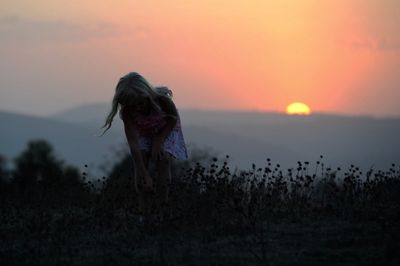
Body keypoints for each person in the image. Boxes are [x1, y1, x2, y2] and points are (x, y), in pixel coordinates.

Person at [99, 72, 188, 216]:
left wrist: (159, 140)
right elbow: (133, 143)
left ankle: (162, 207)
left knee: (162, 158)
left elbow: (172, 120)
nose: (138, 108)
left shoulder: (163, 101)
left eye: (140, 103)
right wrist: (143, 172)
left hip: (165, 129)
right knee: (142, 159)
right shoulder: (128, 112)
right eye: (132, 105)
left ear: (147, 94)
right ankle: (143, 210)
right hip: (145, 131)